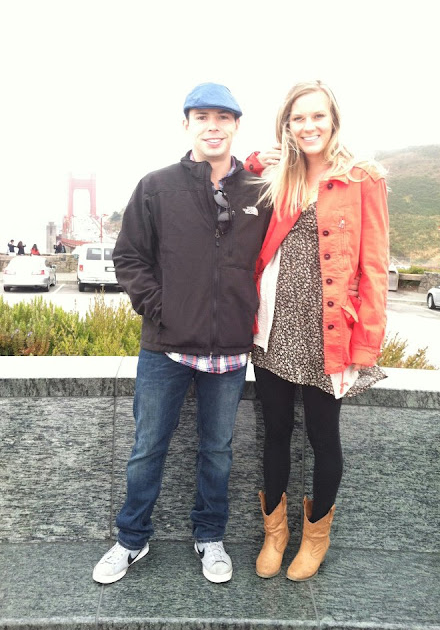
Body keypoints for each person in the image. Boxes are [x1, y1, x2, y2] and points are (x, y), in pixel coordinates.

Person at [92, 83, 272, 586]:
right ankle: (131, 539)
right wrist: (162, 310)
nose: (212, 126)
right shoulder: (156, 186)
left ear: (237, 125)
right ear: (186, 124)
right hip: (165, 347)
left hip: (230, 351)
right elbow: (129, 258)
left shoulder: (261, 192)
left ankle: (209, 536)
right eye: (202, 117)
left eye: (223, 117)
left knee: (218, 451)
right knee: (147, 447)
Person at [245, 80, 389, 582]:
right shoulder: (279, 175)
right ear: (286, 125)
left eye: (317, 116)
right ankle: (275, 535)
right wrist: (253, 160)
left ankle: (315, 539)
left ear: (334, 121)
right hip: (275, 325)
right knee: (276, 433)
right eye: (298, 118)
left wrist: (367, 343)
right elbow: (240, 179)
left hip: (330, 332)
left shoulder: (362, 179)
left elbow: (375, 267)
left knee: (324, 438)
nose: (308, 126)